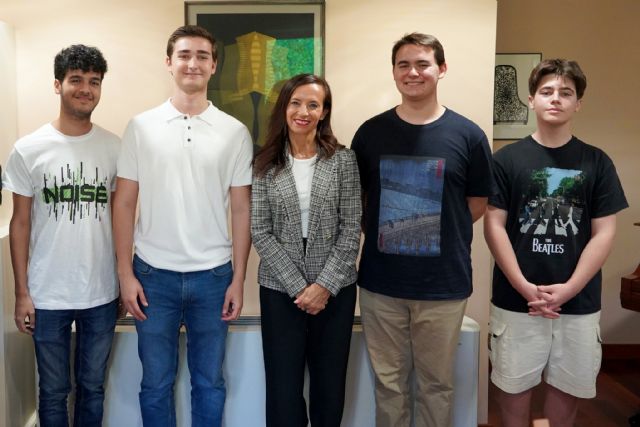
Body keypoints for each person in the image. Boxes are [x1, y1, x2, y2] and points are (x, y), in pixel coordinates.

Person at [351, 33, 495, 426]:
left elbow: (476, 204)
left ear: (441, 69)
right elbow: (359, 200)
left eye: (422, 64)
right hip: (381, 284)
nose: (412, 72)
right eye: (403, 65)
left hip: (443, 285)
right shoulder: (369, 133)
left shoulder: (468, 135)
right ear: (394, 72)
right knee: (389, 383)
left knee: (436, 384)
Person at [112, 25, 252, 427]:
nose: (193, 63)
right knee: (155, 383)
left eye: (203, 56)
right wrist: (126, 274)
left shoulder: (234, 132)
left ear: (214, 66)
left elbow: (240, 210)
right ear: (169, 62)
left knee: (209, 382)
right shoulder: (140, 127)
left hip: (214, 276)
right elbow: (123, 203)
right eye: (185, 55)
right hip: (153, 275)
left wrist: (238, 278)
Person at [484, 59, 628, 427]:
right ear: (531, 99)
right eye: (547, 91)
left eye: (566, 93)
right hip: (517, 302)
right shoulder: (506, 160)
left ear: (578, 103)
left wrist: (569, 289)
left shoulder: (597, 162)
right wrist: (525, 287)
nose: (555, 99)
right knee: (513, 389)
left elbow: (605, 232)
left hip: (577, 304)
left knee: (568, 391)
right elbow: (494, 226)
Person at [3, 44, 119, 427]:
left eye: (94, 81)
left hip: (102, 291)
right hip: (47, 292)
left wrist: (123, 278)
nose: (85, 89)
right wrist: (22, 293)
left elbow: (123, 219)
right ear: (58, 85)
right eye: (76, 80)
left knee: (92, 387)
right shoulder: (28, 149)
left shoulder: (115, 148)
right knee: (52, 391)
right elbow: (19, 223)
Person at [251, 73, 361, 427]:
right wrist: (300, 288)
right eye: (296, 102)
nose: (303, 111)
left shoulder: (343, 160)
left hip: (336, 289)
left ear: (324, 111)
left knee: (329, 385)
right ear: (284, 107)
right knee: (283, 388)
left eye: (313, 104)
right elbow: (260, 230)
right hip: (279, 287)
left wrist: (323, 286)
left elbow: (350, 229)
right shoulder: (264, 163)